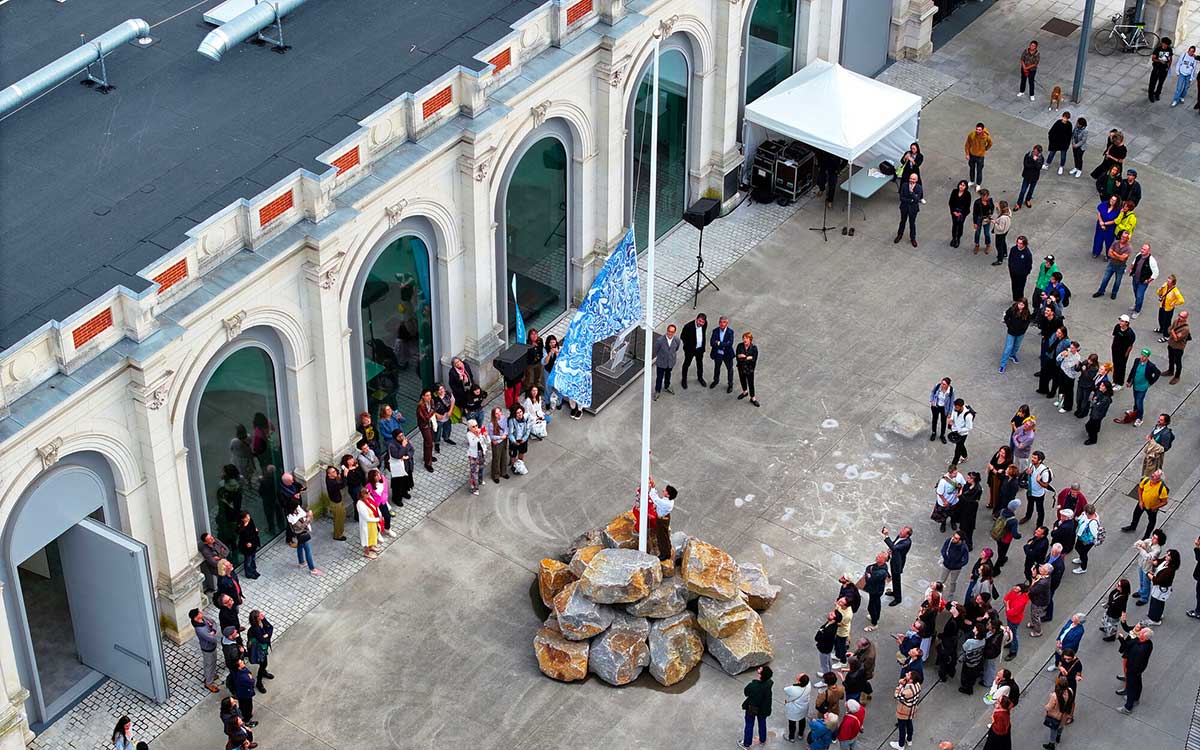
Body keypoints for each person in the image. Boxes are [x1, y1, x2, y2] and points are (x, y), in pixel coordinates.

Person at [1115, 624, 1154, 714]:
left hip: (1133, 670)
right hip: (1139, 670)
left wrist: (1130, 669)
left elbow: (1128, 647)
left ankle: (1128, 707)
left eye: (1141, 633)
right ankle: (1136, 698)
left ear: (1144, 637)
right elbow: (1129, 644)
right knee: (1138, 683)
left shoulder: (1139, 648)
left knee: (1131, 686)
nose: (1139, 633)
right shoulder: (1148, 644)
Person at [737, 664, 772, 748]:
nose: (760, 667)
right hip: (764, 707)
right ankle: (762, 740)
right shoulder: (769, 682)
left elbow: (746, 693)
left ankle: (746, 744)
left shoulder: (753, 686)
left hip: (752, 707)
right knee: (762, 722)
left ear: (760, 675)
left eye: (761, 668)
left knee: (749, 725)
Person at [1124, 349, 1161, 425]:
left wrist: (1151, 382)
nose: (1142, 357)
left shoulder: (1151, 366)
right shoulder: (1137, 361)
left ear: (1147, 357)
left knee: (1139, 401)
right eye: (1142, 355)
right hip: (1136, 385)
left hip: (1143, 387)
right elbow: (1133, 371)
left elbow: (1158, 373)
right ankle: (1135, 412)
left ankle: (1139, 418)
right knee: (1135, 399)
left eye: (1144, 356)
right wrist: (1129, 381)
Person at [191, 608, 222, 692]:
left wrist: (213, 631)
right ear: (196, 617)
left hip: (211, 646)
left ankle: (210, 675)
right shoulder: (200, 629)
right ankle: (209, 683)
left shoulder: (203, 619)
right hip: (208, 648)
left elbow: (214, 623)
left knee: (211, 662)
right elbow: (212, 639)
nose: (202, 613)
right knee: (209, 664)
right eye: (200, 613)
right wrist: (213, 634)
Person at [286, 502, 321, 576]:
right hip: (301, 534)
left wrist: (308, 514)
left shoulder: (296, 509)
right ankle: (312, 569)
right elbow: (302, 526)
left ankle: (301, 562)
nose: (297, 507)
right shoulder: (291, 517)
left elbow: (303, 513)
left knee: (300, 546)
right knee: (308, 551)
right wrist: (309, 517)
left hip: (300, 533)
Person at [1132, 529, 1166, 604]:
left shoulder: (1157, 549)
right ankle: (1141, 591)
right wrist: (1140, 544)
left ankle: (1144, 598)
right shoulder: (1148, 541)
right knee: (1141, 580)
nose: (1153, 539)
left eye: (1155, 538)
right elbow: (1137, 544)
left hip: (1148, 568)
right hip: (1142, 564)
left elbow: (1147, 557)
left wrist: (1141, 548)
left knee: (1146, 583)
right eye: (1153, 537)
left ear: (1159, 540)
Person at [1146, 548, 1179, 624]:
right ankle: (1155, 615)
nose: (1166, 556)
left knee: (1157, 602)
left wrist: (1148, 574)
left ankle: (1155, 619)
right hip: (1158, 588)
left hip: (1162, 588)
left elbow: (1157, 581)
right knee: (1155, 601)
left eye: (1168, 555)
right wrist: (1153, 562)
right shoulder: (1165, 561)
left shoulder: (1169, 570)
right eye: (1167, 554)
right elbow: (1159, 561)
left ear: (1172, 558)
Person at [889, 671, 921, 749]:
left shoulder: (907, 692)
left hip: (904, 710)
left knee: (902, 727)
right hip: (912, 709)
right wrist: (904, 682)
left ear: (911, 680)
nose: (906, 674)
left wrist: (900, 685)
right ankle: (909, 739)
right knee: (909, 723)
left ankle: (901, 745)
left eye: (908, 675)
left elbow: (897, 696)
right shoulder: (918, 685)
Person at [1127, 243, 1159, 318]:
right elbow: (1134, 262)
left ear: (1149, 251)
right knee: (1136, 293)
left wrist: (1148, 280)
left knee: (1139, 296)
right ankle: (1136, 305)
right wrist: (1131, 269)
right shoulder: (1139, 255)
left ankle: (1137, 310)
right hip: (1135, 279)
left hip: (1143, 282)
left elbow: (1156, 273)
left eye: (1144, 249)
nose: (1142, 250)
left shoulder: (1151, 261)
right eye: (1142, 248)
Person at [999, 299, 1031, 373]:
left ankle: (1012, 355)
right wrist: (1009, 325)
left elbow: (1027, 322)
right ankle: (1003, 365)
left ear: (1025, 306)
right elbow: (1006, 317)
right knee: (1008, 348)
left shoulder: (1027, 313)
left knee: (1017, 345)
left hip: (1020, 333)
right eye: (1019, 304)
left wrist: (1023, 329)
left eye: (1022, 305)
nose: (1020, 306)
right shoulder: (1012, 309)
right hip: (1011, 332)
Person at [1043, 675, 1075, 749]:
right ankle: (1058, 737)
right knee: (1061, 726)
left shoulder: (1055, 696)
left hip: (1055, 715)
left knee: (1053, 729)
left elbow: (1049, 707)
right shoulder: (1070, 691)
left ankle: (1051, 744)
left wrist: (1045, 706)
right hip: (1064, 714)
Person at [1022, 451, 1053, 527]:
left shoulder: (1044, 471)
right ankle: (1027, 516)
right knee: (1030, 505)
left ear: (1040, 460)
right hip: (1030, 491)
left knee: (1040, 510)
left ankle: (1039, 525)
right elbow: (1028, 476)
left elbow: (1045, 485)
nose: (1032, 459)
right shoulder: (1031, 465)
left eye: (1034, 458)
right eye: (1032, 457)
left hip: (1039, 494)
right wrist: (1027, 473)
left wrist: (1039, 481)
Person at [882, 525, 912, 606]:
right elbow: (894, 545)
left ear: (907, 535)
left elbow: (895, 548)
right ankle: (894, 592)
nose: (900, 532)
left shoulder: (907, 542)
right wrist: (890, 550)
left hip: (898, 563)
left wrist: (886, 536)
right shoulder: (900, 536)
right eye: (902, 529)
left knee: (897, 580)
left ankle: (898, 599)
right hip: (894, 560)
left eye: (903, 531)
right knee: (894, 578)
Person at [861, 552, 890, 631]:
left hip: (876, 591)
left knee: (871, 607)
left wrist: (868, 574)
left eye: (880, 557)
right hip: (875, 590)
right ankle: (876, 617)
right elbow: (869, 567)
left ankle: (874, 623)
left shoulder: (881, 572)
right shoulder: (879, 565)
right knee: (876, 604)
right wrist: (869, 573)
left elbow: (870, 580)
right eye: (878, 555)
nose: (877, 556)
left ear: (884, 560)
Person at [649, 479, 677, 563]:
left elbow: (655, 499)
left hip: (662, 520)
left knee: (661, 537)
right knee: (664, 536)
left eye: (665, 491)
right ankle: (667, 549)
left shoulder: (666, 503)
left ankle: (665, 554)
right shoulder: (667, 500)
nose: (663, 490)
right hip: (663, 518)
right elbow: (659, 502)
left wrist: (653, 488)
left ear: (668, 495)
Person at [247, 610, 274, 692]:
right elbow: (262, 639)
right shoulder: (255, 629)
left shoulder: (260, 622)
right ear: (257, 618)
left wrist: (266, 634)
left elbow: (270, 627)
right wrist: (267, 635)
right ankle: (259, 682)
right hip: (259, 650)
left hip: (261, 648)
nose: (262, 615)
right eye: (260, 615)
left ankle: (264, 672)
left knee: (263, 663)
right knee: (263, 664)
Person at [652, 324, 680, 401]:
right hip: (661, 363)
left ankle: (667, 386)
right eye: (669, 331)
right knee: (659, 377)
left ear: (674, 332)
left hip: (670, 363)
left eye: (672, 332)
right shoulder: (660, 340)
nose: (670, 333)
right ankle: (657, 390)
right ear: (667, 331)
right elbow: (656, 350)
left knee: (668, 375)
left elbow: (676, 349)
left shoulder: (677, 340)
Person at [679, 313, 708, 388]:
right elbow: (682, 337)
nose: (701, 323)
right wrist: (688, 347)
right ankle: (684, 380)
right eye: (699, 321)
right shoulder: (688, 326)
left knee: (699, 364)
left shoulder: (705, 324)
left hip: (700, 349)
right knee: (686, 364)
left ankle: (700, 378)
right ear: (696, 319)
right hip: (690, 350)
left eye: (702, 322)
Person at [708, 316, 736, 393]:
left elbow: (730, 344)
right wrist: (723, 344)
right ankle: (716, 381)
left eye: (724, 322)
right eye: (720, 322)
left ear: (727, 323)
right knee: (717, 368)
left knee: (730, 369)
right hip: (718, 354)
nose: (722, 324)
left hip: (727, 354)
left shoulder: (730, 332)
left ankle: (730, 384)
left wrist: (719, 343)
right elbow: (712, 343)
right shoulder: (715, 331)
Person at [934, 463, 964, 533]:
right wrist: (945, 501)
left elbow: (963, 484)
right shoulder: (943, 481)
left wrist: (961, 492)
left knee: (953, 514)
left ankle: (953, 522)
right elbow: (939, 493)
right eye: (954, 473)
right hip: (944, 502)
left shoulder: (959, 475)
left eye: (956, 472)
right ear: (949, 473)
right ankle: (943, 524)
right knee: (943, 515)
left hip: (954, 501)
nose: (956, 475)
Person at [1054, 342, 1083, 414]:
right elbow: (1058, 359)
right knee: (1061, 387)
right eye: (1071, 347)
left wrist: (1066, 357)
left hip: (1069, 375)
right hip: (1062, 371)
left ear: (1076, 349)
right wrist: (1061, 355)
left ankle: (1067, 406)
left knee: (1068, 391)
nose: (1071, 349)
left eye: (1073, 348)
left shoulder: (1077, 357)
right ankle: (1060, 400)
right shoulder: (1067, 351)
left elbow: (1069, 365)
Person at [895, 171, 922, 247]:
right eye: (910, 178)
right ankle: (899, 235)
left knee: (912, 224)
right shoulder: (904, 185)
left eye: (913, 179)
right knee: (902, 222)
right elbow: (901, 198)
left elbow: (917, 199)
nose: (911, 180)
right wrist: (910, 200)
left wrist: (911, 193)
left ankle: (913, 238)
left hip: (913, 209)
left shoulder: (919, 188)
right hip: (904, 207)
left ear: (916, 180)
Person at [1002, 584, 1029, 660]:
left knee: (1013, 635)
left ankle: (1013, 651)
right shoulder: (1014, 592)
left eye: (1017, 588)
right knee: (1010, 631)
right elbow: (1005, 599)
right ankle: (1010, 643)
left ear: (1021, 591)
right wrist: (1008, 609)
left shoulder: (1021, 601)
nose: (1014, 589)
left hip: (1014, 620)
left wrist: (1007, 606)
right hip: (1010, 618)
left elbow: (1012, 612)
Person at [1013, 145, 1045, 210]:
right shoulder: (1028, 155)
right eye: (1034, 150)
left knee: (1031, 190)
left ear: (1039, 153)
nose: (1034, 152)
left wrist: (1035, 161)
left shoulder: (1041, 158)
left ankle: (1028, 200)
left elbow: (1039, 167)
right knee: (1023, 190)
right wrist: (1034, 164)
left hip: (1034, 177)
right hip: (1027, 176)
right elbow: (1026, 165)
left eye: (1036, 152)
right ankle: (1019, 203)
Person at [783, 673, 812, 743]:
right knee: (802, 720)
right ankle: (800, 734)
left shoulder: (793, 689)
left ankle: (791, 737)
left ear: (799, 682)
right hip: (804, 707)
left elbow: (785, 689)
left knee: (792, 723)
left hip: (794, 710)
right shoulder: (808, 685)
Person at [1084, 380, 1114, 444]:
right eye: (1101, 385)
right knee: (1093, 425)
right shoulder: (1100, 392)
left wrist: (1094, 401)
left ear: (1106, 388)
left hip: (1097, 415)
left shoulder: (1106, 399)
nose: (1100, 386)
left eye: (1102, 386)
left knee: (1091, 427)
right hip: (1095, 414)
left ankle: (1092, 440)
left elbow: (1097, 405)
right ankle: (1095, 431)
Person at [734, 332, 760, 407]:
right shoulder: (740, 346)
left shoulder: (754, 348)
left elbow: (754, 358)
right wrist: (741, 356)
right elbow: (737, 355)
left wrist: (746, 357)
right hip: (741, 367)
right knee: (742, 380)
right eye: (744, 338)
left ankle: (753, 398)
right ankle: (745, 392)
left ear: (750, 339)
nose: (745, 340)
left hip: (749, 369)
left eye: (747, 338)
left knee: (751, 383)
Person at [1073, 505, 1100, 573]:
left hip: (1087, 541)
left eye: (1085, 512)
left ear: (1088, 513)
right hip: (1081, 537)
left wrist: (1093, 541)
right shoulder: (1086, 515)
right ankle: (1081, 558)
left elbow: (1095, 534)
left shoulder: (1093, 523)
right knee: (1077, 548)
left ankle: (1083, 568)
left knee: (1083, 553)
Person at [958, 472, 982, 549]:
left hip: (970, 512)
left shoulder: (977, 489)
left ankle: (969, 545)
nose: (967, 479)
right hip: (964, 509)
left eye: (968, 478)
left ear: (973, 480)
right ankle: (963, 540)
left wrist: (961, 495)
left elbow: (969, 500)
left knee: (968, 530)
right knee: (963, 527)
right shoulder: (968, 485)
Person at [965, 121, 993, 188]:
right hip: (972, 155)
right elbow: (967, 144)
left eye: (979, 130)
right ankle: (972, 181)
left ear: (982, 130)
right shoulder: (972, 134)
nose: (977, 131)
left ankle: (978, 184)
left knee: (979, 171)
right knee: (971, 169)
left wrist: (985, 149)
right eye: (977, 129)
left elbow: (990, 143)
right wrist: (967, 154)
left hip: (980, 157)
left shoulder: (986, 137)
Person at [464, 419, 488, 495]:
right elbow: (472, 444)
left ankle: (480, 480)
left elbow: (487, 441)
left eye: (476, 425)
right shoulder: (469, 434)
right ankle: (475, 488)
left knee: (481, 468)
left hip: (481, 453)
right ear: (470, 428)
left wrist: (485, 435)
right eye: (473, 426)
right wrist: (477, 436)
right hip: (473, 455)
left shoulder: (480, 432)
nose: (476, 428)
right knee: (474, 472)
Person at [1166, 311, 1190, 384]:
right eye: (1179, 315)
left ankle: (1177, 376)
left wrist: (1172, 332)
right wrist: (1173, 333)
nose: (1180, 318)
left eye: (1182, 317)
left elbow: (1177, 339)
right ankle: (1170, 370)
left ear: (1186, 318)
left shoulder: (1186, 329)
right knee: (1171, 358)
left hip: (1178, 347)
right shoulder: (1176, 321)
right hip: (1171, 344)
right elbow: (1169, 330)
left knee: (1178, 362)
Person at [1028, 564, 1053, 637]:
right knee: (1033, 613)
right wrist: (1034, 575)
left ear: (1046, 572)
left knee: (1035, 615)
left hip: (1039, 602)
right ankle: (1034, 624)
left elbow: (1032, 590)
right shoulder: (1044, 577)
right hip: (1039, 599)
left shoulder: (1043, 583)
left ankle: (1038, 631)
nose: (1040, 567)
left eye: (1042, 568)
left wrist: (1033, 580)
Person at [416, 389, 437, 471]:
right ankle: (428, 463)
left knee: (428, 441)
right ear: (423, 396)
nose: (429, 397)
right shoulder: (421, 406)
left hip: (430, 423)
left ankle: (427, 456)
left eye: (430, 395)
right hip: (424, 425)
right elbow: (426, 418)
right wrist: (433, 410)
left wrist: (433, 410)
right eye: (427, 395)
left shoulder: (431, 401)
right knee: (429, 442)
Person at [1148, 36, 1174, 102]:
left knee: (1161, 83)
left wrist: (1168, 67)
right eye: (1165, 44)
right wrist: (1160, 61)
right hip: (1156, 68)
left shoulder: (1169, 49)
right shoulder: (1157, 49)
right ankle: (1150, 95)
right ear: (1162, 43)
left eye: (1167, 45)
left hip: (1164, 69)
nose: (1166, 46)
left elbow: (1170, 58)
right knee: (1153, 83)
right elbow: (1153, 59)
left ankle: (1157, 94)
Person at [356, 487, 380, 558]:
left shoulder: (369, 499)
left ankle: (371, 546)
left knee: (372, 535)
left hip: (372, 522)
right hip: (366, 524)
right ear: (363, 495)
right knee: (366, 538)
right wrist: (377, 519)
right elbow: (367, 518)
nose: (369, 494)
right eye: (367, 493)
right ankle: (367, 552)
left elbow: (375, 506)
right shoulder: (360, 504)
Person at [488, 406, 509, 483]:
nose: (499, 414)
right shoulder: (491, 424)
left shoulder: (504, 418)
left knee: (504, 456)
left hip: (503, 440)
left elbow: (506, 428)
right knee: (496, 459)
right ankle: (495, 475)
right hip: (497, 443)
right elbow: (491, 436)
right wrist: (501, 437)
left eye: (499, 412)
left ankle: (503, 472)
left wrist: (505, 435)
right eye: (496, 413)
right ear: (494, 415)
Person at [1008, 235, 1033, 301]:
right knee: (1014, 286)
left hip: (1021, 275)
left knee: (1020, 288)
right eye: (1018, 243)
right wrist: (1011, 269)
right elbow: (1010, 260)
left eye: (1021, 243)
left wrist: (1024, 274)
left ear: (1024, 244)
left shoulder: (1027, 254)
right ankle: (1015, 299)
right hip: (1013, 273)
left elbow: (1029, 266)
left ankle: (1020, 300)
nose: (1019, 245)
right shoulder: (1013, 249)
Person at [929, 377, 954, 443]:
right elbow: (932, 392)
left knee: (943, 422)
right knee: (934, 420)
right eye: (942, 383)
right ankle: (933, 433)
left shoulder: (951, 391)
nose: (942, 385)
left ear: (948, 385)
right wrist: (932, 401)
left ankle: (942, 435)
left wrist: (950, 412)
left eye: (944, 384)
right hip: (936, 407)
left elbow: (951, 403)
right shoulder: (938, 386)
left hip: (944, 409)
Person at [815, 610, 839, 675]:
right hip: (828, 648)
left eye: (831, 615)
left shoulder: (829, 631)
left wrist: (819, 634)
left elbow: (820, 638)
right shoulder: (831, 623)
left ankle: (826, 679)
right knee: (828, 661)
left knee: (824, 665)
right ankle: (829, 672)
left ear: (834, 620)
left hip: (824, 649)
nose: (829, 614)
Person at [948, 180, 972, 247]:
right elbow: (951, 202)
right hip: (954, 212)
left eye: (963, 185)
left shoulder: (967, 194)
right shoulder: (954, 191)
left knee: (960, 225)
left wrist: (961, 213)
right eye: (960, 184)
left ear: (966, 187)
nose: (961, 186)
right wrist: (953, 211)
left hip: (962, 213)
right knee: (954, 225)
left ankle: (958, 239)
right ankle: (953, 238)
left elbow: (967, 206)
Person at [507, 405, 530, 473]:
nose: (520, 414)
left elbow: (528, 430)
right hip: (514, 440)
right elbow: (510, 433)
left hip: (523, 439)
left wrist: (524, 438)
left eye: (520, 412)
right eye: (518, 412)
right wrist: (514, 441)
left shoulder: (526, 418)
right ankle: (513, 466)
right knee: (513, 454)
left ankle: (520, 464)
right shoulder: (512, 421)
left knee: (521, 452)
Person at [972, 188, 995, 254]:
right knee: (977, 232)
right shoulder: (977, 202)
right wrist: (975, 223)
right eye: (985, 196)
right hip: (979, 218)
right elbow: (975, 213)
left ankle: (988, 245)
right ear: (982, 196)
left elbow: (992, 208)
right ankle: (977, 245)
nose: (987, 198)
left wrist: (990, 214)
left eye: (987, 196)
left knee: (986, 233)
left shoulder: (990, 201)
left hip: (986, 218)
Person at [432, 383, 455, 448]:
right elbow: (429, 409)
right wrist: (436, 414)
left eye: (442, 388)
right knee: (437, 431)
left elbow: (453, 401)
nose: (442, 391)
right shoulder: (433, 398)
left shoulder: (448, 394)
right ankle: (436, 442)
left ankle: (446, 438)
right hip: (439, 419)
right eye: (439, 390)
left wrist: (450, 411)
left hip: (447, 416)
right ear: (436, 391)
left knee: (447, 428)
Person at [990, 201, 1012, 266]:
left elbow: (1000, 228)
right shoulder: (1008, 211)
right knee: (1003, 241)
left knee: (999, 246)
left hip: (1001, 233)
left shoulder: (1002, 218)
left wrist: (994, 222)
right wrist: (997, 208)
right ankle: (1005, 253)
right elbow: (1000, 213)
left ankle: (1000, 259)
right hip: (1006, 230)